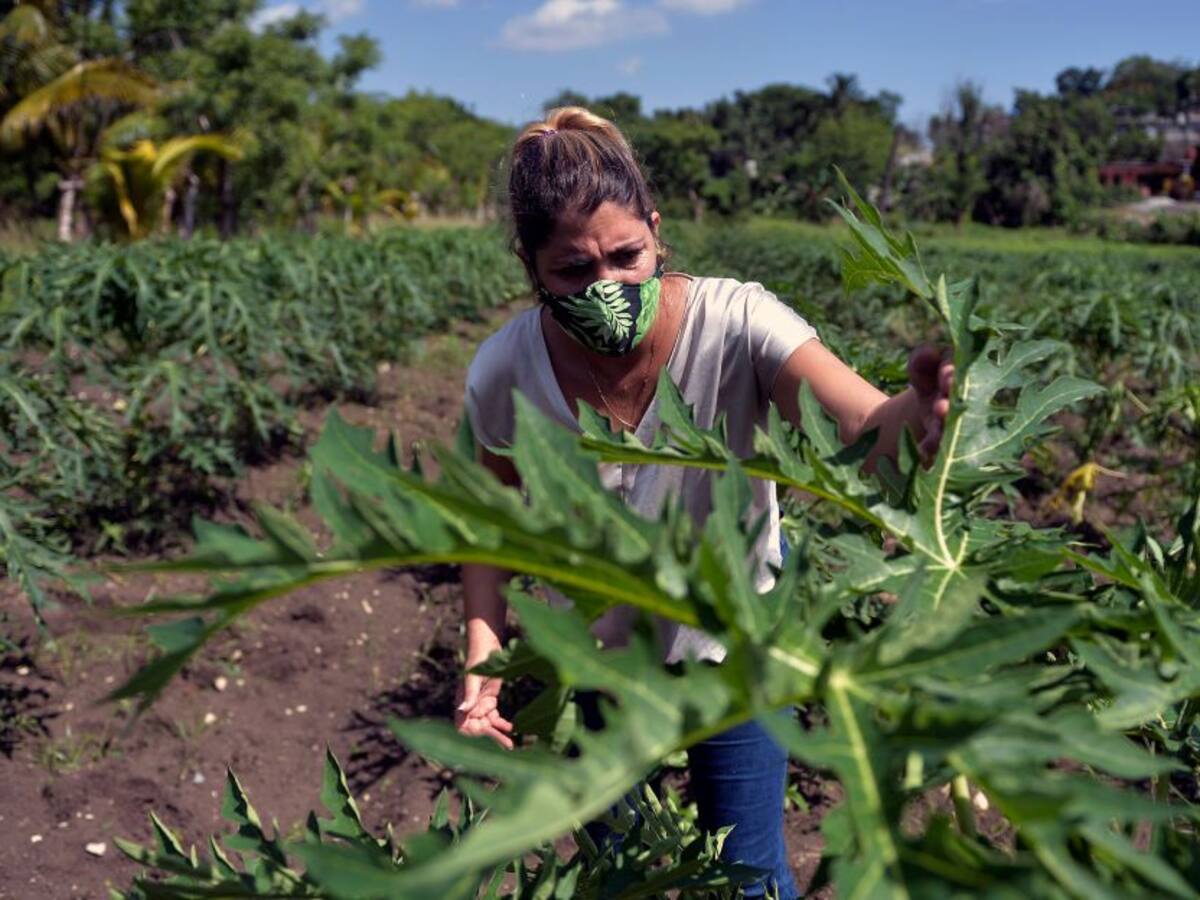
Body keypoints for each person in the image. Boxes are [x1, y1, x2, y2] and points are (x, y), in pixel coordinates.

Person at [454, 107, 954, 899]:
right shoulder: (504, 369)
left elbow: (860, 421)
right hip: (599, 664)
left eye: (627, 256)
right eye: (572, 272)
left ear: (657, 233)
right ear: (531, 268)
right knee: (612, 878)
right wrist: (484, 659)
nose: (606, 286)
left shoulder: (737, 321)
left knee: (751, 878)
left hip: (741, 653)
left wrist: (917, 418)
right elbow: (488, 526)